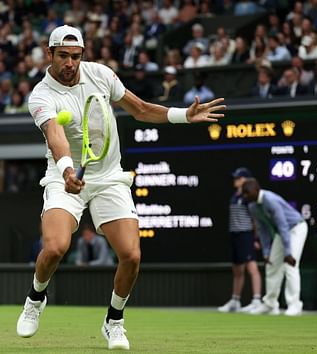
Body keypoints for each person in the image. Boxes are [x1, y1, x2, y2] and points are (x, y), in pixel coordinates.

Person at [16, 25, 225, 350]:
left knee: (131, 255)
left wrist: (184, 115)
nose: (70, 63)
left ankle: (114, 320)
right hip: (63, 176)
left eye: (76, 56)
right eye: (63, 56)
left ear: (82, 55)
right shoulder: (41, 96)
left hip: (109, 177)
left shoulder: (101, 75)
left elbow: (140, 109)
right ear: (50, 54)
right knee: (55, 247)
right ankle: (35, 297)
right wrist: (68, 170)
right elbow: (55, 137)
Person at [242, 178, 308, 316]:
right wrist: (266, 252)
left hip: (296, 228)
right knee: (271, 265)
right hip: (281, 232)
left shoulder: (270, 200)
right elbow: (263, 229)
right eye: (244, 193)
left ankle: (295, 305)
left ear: (256, 190)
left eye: (247, 193)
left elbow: (283, 224)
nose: (245, 196)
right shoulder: (252, 206)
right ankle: (270, 304)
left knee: (290, 265)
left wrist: (288, 252)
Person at [218, 168, 262, 313]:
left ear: (246, 180)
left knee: (252, 267)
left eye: (239, 177)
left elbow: (255, 219)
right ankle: (235, 300)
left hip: (246, 235)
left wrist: (255, 238)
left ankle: (257, 300)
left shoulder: (248, 196)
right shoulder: (234, 196)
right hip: (235, 235)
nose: (235, 179)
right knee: (237, 269)